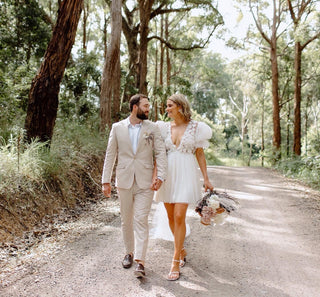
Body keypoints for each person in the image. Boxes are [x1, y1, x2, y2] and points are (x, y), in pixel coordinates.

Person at [101, 94, 167, 278]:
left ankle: (140, 261)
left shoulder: (152, 128)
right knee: (126, 220)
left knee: (141, 219)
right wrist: (105, 180)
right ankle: (128, 252)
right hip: (124, 180)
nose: (148, 109)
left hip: (146, 182)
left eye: (148, 106)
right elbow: (110, 154)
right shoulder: (117, 128)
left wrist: (160, 175)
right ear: (134, 107)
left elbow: (160, 153)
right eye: (145, 106)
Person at [154, 94, 214, 281]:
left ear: (180, 106)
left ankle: (175, 261)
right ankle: (181, 249)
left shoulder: (197, 128)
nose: (167, 109)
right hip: (168, 175)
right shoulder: (163, 128)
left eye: (170, 105)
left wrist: (206, 178)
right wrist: (157, 176)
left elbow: (200, 154)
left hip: (186, 173)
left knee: (180, 215)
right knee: (171, 217)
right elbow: (158, 154)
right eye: (167, 105)